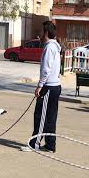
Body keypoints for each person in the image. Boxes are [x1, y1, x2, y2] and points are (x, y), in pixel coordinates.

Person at [24, 21, 61, 153]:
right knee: (50, 117)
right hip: (55, 86)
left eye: (41, 31)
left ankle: (35, 144)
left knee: (40, 116)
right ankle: (50, 145)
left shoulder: (49, 47)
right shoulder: (55, 47)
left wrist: (40, 86)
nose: (39, 34)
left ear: (46, 32)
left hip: (48, 87)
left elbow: (46, 69)